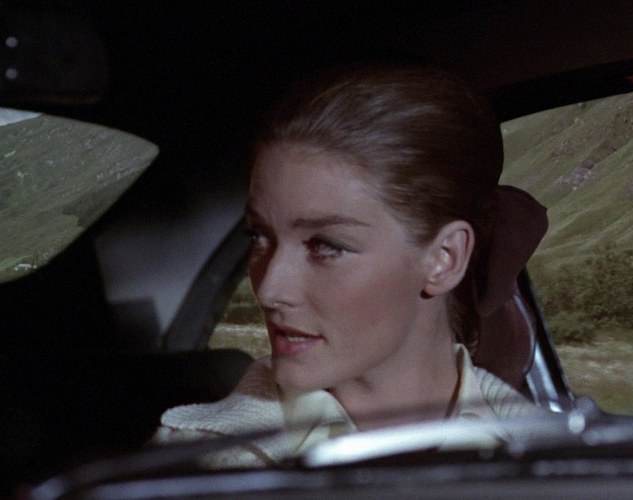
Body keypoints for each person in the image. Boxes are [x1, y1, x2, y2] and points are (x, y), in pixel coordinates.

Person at [150, 63, 548, 468]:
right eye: (257, 236)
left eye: (325, 246)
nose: (269, 290)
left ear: (444, 259)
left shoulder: (556, 464)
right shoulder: (188, 465)